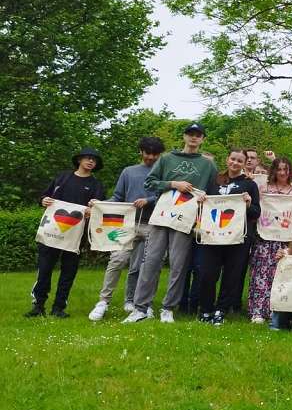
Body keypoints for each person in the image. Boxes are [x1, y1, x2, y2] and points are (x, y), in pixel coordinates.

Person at [126, 123, 217, 324]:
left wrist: (204, 200)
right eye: (190, 134)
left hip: (186, 219)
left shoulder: (208, 165)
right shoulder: (167, 159)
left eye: (198, 135)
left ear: (202, 139)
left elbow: (212, 193)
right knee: (150, 261)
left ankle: (168, 308)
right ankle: (141, 308)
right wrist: (172, 184)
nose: (194, 138)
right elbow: (149, 183)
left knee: (178, 265)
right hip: (162, 216)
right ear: (184, 136)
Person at [88, 137, 165, 321]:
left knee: (150, 266)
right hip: (128, 225)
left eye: (155, 154)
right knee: (117, 260)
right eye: (148, 153)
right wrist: (99, 205)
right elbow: (117, 197)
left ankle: (143, 304)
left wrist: (149, 200)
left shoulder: (164, 173)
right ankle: (103, 302)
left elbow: (167, 195)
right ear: (141, 151)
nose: (151, 157)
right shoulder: (129, 172)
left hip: (154, 225)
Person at [26, 147, 107, 318]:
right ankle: (38, 306)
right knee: (45, 268)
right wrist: (44, 200)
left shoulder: (97, 185)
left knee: (68, 272)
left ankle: (59, 307)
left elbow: (100, 209)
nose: (91, 161)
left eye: (94, 159)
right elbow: (44, 196)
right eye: (87, 158)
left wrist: (94, 209)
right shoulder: (62, 178)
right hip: (51, 232)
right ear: (79, 160)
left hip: (76, 236)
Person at [198, 149, 262, 326]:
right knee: (207, 274)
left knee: (231, 275)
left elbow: (256, 212)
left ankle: (221, 309)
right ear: (227, 160)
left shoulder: (250, 184)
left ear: (244, 163)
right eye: (233, 159)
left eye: (239, 161)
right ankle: (205, 309)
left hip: (237, 237)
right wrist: (201, 199)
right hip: (212, 236)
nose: (235, 163)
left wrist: (249, 204)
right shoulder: (213, 180)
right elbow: (201, 207)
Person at [247, 157, 292, 324]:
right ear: (273, 170)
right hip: (265, 237)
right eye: (279, 169)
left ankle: (277, 310)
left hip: (286, 240)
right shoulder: (263, 187)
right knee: (261, 274)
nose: (282, 172)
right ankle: (257, 311)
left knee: (282, 275)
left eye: (285, 169)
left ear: (290, 171)